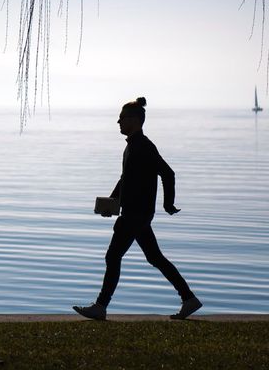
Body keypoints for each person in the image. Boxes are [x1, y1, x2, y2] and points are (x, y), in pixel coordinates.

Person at [73, 97, 202, 321]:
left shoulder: (143, 146)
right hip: (136, 214)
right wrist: (112, 203)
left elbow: (168, 173)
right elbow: (126, 179)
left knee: (113, 256)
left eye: (121, 118)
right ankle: (189, 299)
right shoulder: (133, 146)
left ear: (134, 120)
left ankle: (101, 306)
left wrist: (167, 203)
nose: (118, 122)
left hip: (136, 214)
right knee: (155, 258)